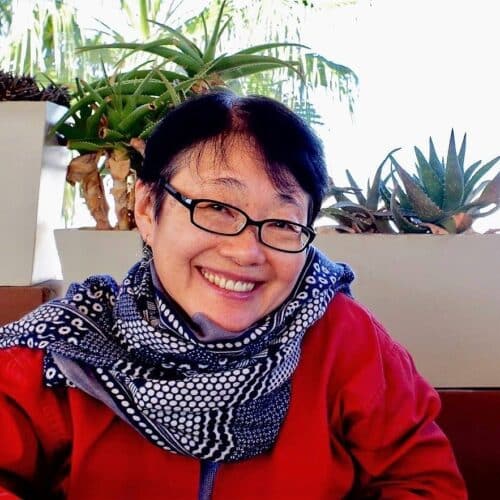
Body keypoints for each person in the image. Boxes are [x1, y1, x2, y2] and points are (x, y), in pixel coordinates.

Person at [0, 90, 466, 499]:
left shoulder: (343, 339)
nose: (247, 252)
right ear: (146, 208)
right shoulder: (71, 346)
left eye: (282, 223)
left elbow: (423, 481)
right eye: (217, 207)